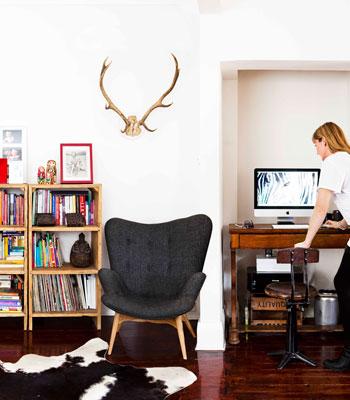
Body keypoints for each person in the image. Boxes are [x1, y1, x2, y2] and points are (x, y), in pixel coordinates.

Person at [295, 121, 350, 371]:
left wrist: (307, 241)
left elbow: (320, 207)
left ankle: (349, 354)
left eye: (316, 144)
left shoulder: (332, 162)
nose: (316, 150)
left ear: (324, 141)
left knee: (344, 283)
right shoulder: (347, 159)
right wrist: (343, 224)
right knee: (344, 283)